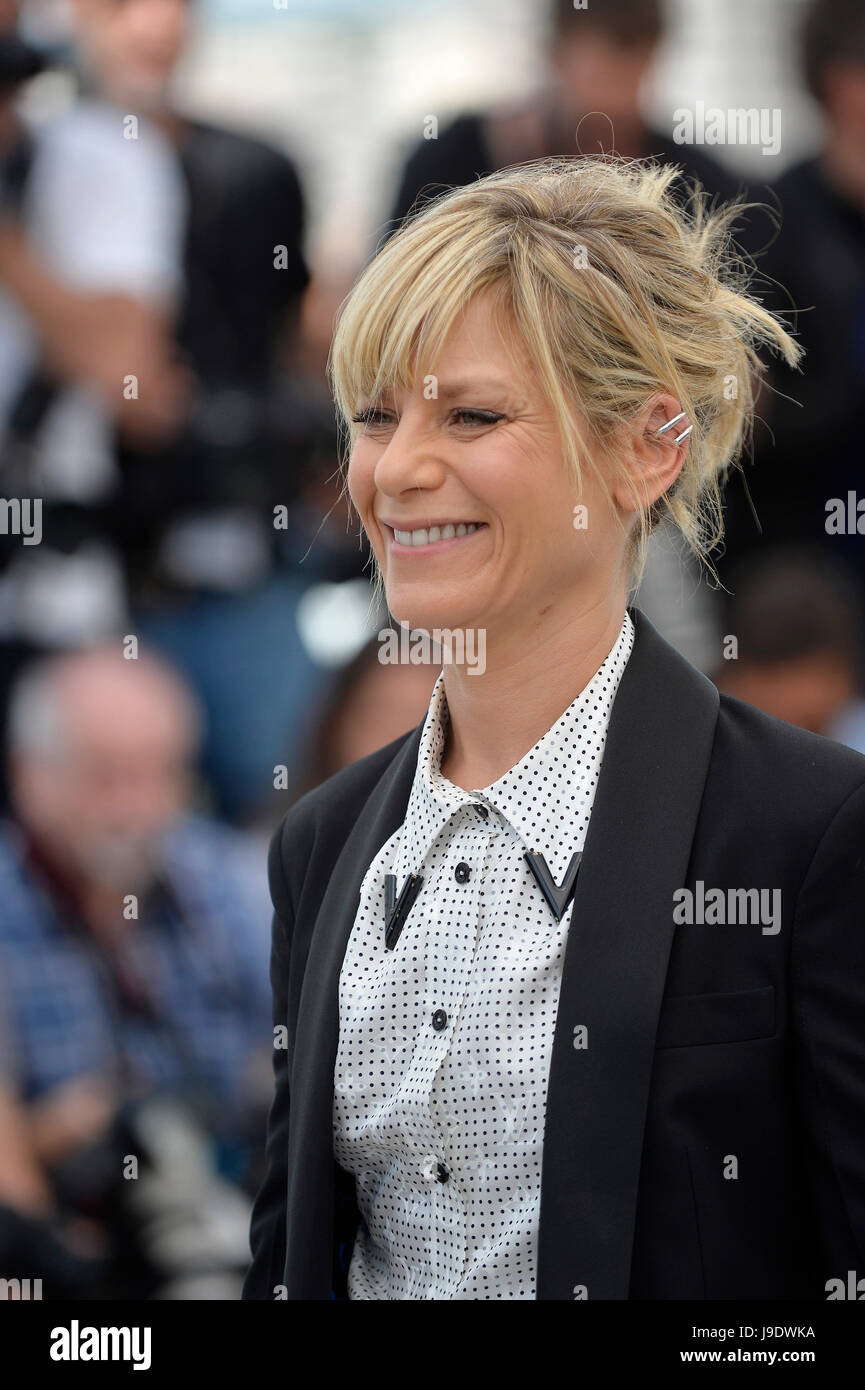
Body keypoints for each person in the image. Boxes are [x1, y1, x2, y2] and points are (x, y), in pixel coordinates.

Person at [243, 156, 865, 1302]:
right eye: (376, 418)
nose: (400, 469)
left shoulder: (811, 830)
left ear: (647, 448)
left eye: (471, 414)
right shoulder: (322, 844)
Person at [0, 646, 273, 1293]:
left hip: (235, 1212)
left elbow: (311, 1065)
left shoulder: (225, 878)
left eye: (159, 775)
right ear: (28, 775)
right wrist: (59, 1135)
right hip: (71, 1250)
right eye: (104, 776)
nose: (134, 810)